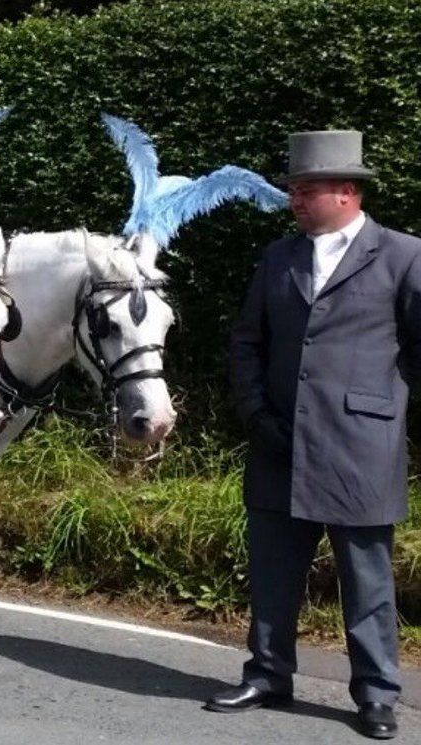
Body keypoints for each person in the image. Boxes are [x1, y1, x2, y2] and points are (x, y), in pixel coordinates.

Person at [215, 130, 421, 740]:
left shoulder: (405, 255)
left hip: (361, 445)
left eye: (306, 191)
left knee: (368, 580)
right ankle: (268, 675)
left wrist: (387, 405)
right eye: (292, 191)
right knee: (274, 570)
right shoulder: (279, 257)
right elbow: (247, 344)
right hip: (279, 443)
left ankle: (377, 694)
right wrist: (255, 414)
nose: (294, 202)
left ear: (348, 193)